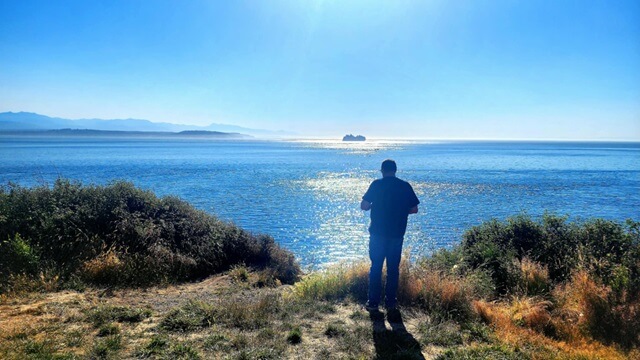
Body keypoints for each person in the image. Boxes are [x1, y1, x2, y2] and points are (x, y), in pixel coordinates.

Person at [361, 159, 419, 312]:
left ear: (382, 170)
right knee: (393, 269)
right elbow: (414, 209)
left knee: (376, 267)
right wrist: (401, 210)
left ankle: (373, 302)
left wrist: (376, 206)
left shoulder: (376, 185)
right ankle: (391, 303)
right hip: (396, 233)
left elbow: (364, 206)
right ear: (395, 170)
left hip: (378, 233)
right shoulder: (404, 186)